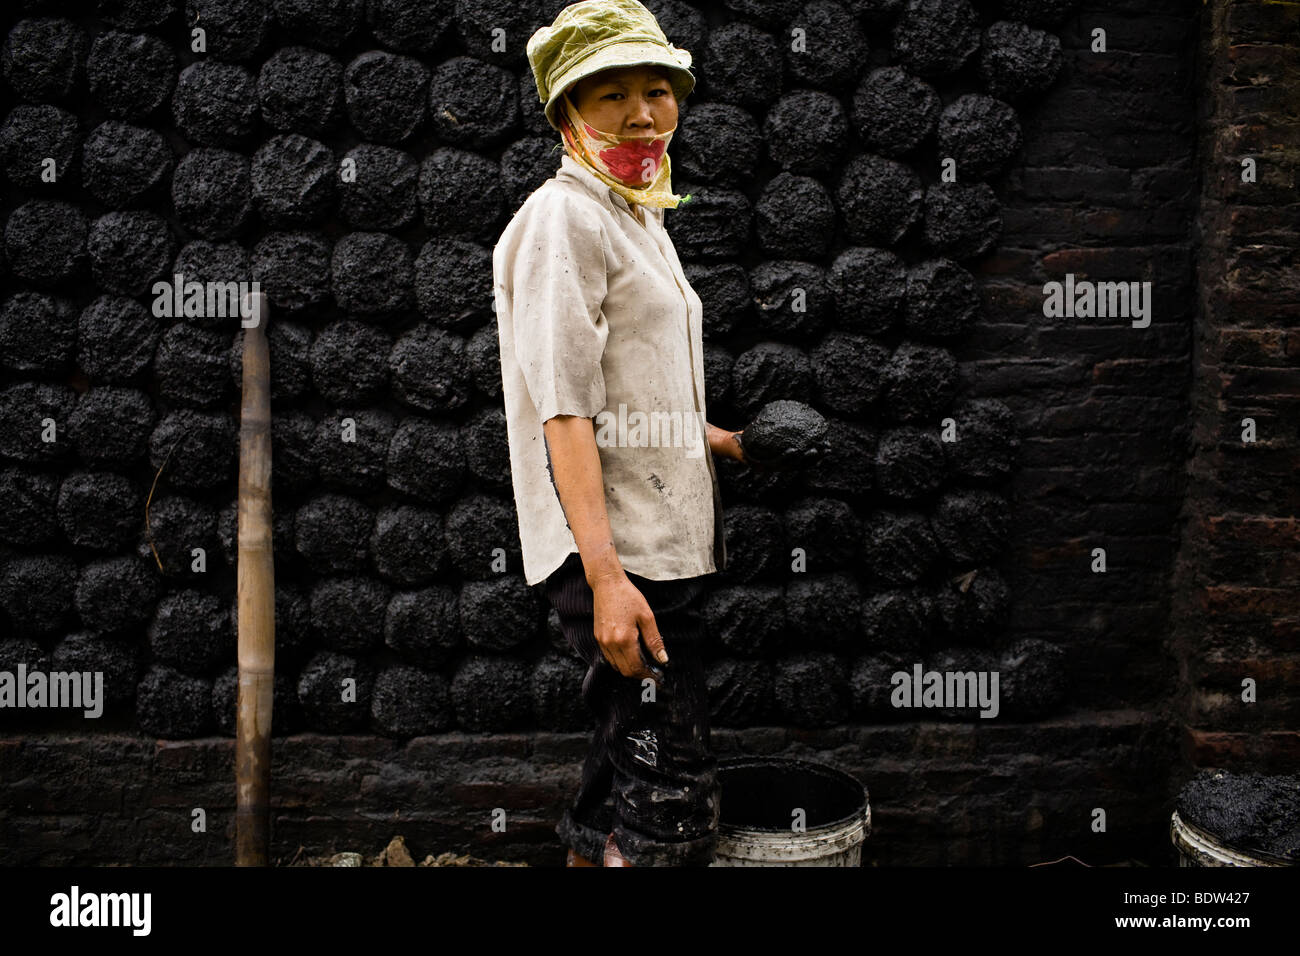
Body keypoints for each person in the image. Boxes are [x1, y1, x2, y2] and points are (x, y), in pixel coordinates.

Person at [494, 0, 766, 867]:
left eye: (658, 90)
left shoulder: (638, 216)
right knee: (667, 804)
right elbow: (563, 407)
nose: (642, 113)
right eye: (609, 95)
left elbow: (630, 389)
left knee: (617, 780)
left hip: (660, 543)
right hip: (616, 556)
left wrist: (711, 438)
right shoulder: (562, 218)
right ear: (566, 113)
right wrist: (607, 579)